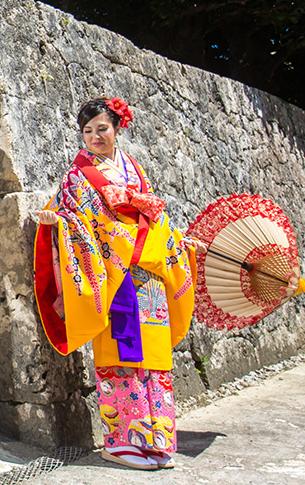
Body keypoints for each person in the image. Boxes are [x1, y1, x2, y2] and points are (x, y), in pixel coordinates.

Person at [33, 97, 202, 470]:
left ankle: (157, 440)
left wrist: (179, 242)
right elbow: (77, 219)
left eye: (101, 128)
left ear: (117, 128)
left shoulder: (135, 171)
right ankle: (122, 441)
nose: (94, 136)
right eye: (88, 131)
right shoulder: (77, 176)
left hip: (149, 277)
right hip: (113, 276)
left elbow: (156, 220)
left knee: (154, 360)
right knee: (122, 358)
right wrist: (58, 224)